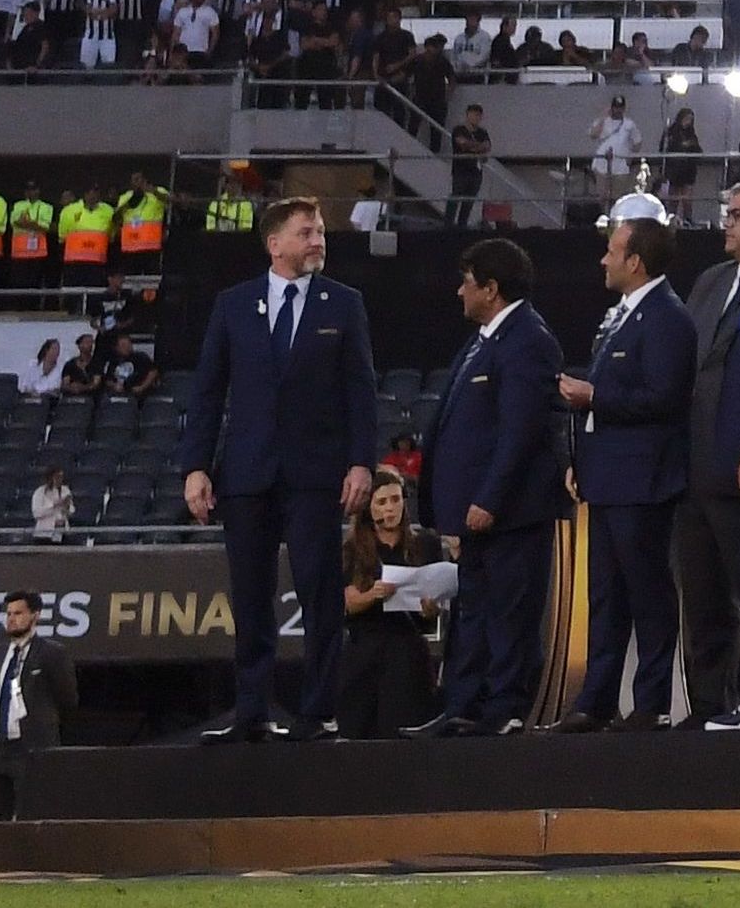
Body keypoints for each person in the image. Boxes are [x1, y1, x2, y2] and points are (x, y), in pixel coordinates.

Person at [178, 193, 381, 741]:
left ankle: (318, 711)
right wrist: (196, 466)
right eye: (306, 232)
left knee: (319, 593)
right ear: (275, 245)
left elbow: (360, 392)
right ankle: (252, 712)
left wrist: (363, 462)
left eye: (319, 232)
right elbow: (207, 393)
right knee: (250, 596)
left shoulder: (343, 304)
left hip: (316, 477)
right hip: (246, 475)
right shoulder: (233, 305)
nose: (318, 241)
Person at [418, 235, 567, 735]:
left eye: (466, 282)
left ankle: (503, 709)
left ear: (491, 288)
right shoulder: (486, 339)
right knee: (474, 613)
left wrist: (488, 499)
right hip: (477, 517)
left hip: (510, 513)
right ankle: (463, 707)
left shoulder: (529, 340)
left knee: (509, 613)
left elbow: (520, 432)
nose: (459, 292)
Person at [564, 197, 697, 729]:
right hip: (609, 478)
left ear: (636, 261)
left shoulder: (667, 318)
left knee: (647, 594)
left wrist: (593, 396)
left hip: (644, 480)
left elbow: (665, 398)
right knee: (606, 598)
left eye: (613, 251)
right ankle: (595, 699)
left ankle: (649, 704)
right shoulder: (624, 315)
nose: (603, 260)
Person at [673, 178, 740, 729]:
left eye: (737, 214)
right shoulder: (711, 281)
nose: (726, 222)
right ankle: (709, 702)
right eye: (727, 211)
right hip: (695, 464)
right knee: (704, 595)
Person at [336, 471, 445, 738]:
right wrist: (373, 594)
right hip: (366, 647)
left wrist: (431, 608)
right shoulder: (352, 549)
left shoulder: (424, 544)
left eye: (395, 500)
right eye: (382, 502)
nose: (390, 508)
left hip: (407, 646)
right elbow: (347, 603)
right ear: (368, 508)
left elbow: (431, 610)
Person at [0, 592, 62, 821]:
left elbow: (66, 698)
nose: (11, 619)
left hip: (28, 746)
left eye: (18, 613)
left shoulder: (51, 652)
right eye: (8, 613)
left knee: (30, 815)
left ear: (35, 616)